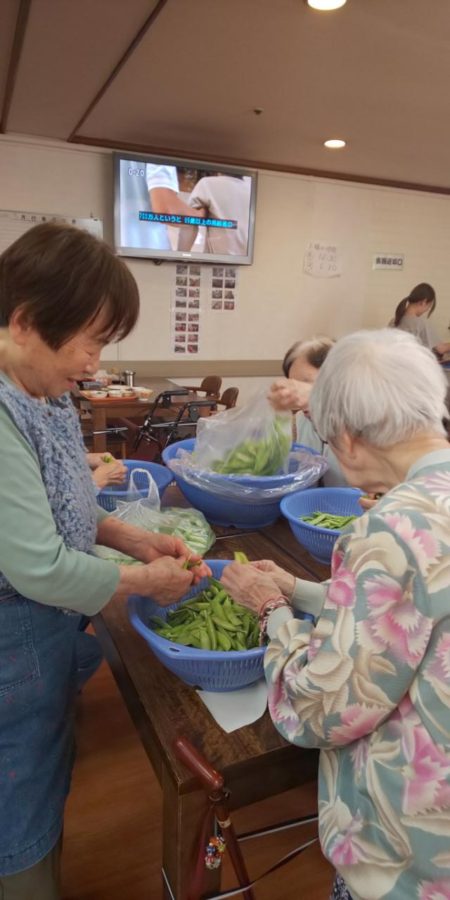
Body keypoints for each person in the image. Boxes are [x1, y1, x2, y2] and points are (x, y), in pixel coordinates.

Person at [0, 222, 209, 898]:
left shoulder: (47, 393)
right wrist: (146, 580)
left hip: (44, 634)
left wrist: (133, 540)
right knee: (15, 798)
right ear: (25, 322)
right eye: (90, 341)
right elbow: (38, 567)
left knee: (40, 773)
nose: (94, 363)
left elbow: (69, 500)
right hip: (10, 642)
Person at [221, 328, 450, 900]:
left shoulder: (390, 528)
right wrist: (299, 589)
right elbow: (414, 613)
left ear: (346, 438)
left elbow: (319, 710)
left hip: (413, 855)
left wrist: (271, 610)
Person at [279, 336, 346, 487]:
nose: (299, 396)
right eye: (294, 386)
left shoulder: (364, 426)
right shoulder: (300, 421)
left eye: (307, 385)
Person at [178, 173, 251, 256]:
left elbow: (189, 223)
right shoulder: (251, 190)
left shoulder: (207, 184)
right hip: (247, 260)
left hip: (216, 259)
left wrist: (181, 255)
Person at [390, 282, 450, 356]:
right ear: (424, 302)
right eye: (429, 306)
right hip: (413, 362)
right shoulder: (421, 324)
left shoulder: (394, 321)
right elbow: (441, 349)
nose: (427, 310)